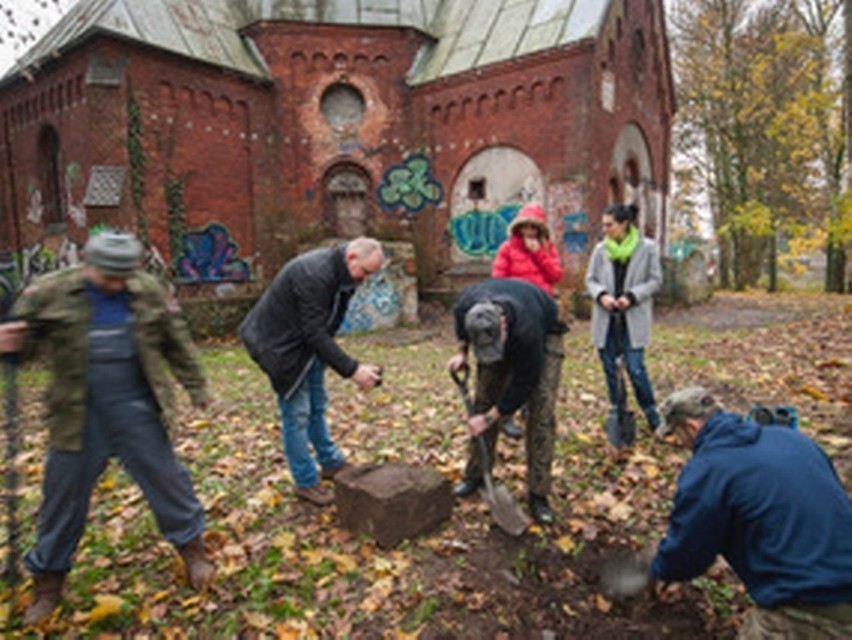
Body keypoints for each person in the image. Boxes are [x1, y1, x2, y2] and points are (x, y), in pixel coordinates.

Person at [0, 231, 216, 626]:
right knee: (61, 499)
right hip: (77, 415)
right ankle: (48, 582)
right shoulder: (51, 292)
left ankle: (194, 552)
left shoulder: (147, 291)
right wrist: (12, 343)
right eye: (108, 277)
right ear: (89, 265)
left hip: (137, 410)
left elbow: (176, 342)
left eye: (123, 276)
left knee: (169, 481)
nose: (117, 284)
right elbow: (24, 347)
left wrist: (197, 387)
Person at [650, 387, 852, 639]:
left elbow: (690, 547)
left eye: (677, 435)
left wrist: (665, 571)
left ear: (691, 427)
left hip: (812, 602)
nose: (679, 443)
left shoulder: (709, 469)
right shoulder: (794, 440)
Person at [239, 238, 384, 507]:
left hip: (306, 345)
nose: (366, 279)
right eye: (365, 272)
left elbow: (324, 328)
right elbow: (314, 331)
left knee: (317, 404)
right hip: (278, 346)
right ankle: (305, 482)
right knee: (297, 413)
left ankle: (330, 463)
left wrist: (340, 361)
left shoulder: (344, 277)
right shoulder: (314, 275)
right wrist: (352, 370)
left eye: (372, 274)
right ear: (351, 257)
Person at [446, 278, 567, 525]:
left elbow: (525, 383)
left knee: (541, 412)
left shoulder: (527, 330)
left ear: (502, 324)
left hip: (546, 334)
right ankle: (477, 474)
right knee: (483, 400)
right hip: (499, 324)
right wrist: (462, 352)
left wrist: (492, 417)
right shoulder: (467, 305)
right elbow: (461, 321)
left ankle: (538, 493)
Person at [585, 203, 662, 449]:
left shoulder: (647, 248)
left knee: (636, 368)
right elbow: (590, 279)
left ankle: (652, 414)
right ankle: (619, 411)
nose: (605, 229)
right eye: (604, 224)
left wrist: (632, 296)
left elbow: (655, 280)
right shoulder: (600, 250)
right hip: (606, 318)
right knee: (610, 368)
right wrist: (602, 295)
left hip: (633, 317)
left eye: (609, 225)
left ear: (624, 224)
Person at [491, 202, 564, 440]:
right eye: (526, 228)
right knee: (514, 360)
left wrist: (539, 254)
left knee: (538, 359)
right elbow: (498, 280)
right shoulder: (507, 249)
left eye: (534, 228)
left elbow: (555, 275)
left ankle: (528, 406)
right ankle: (508, 412)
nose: (529, 233)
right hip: (517, 311)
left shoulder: (546, 247)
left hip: (541, 310)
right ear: (518, 228)